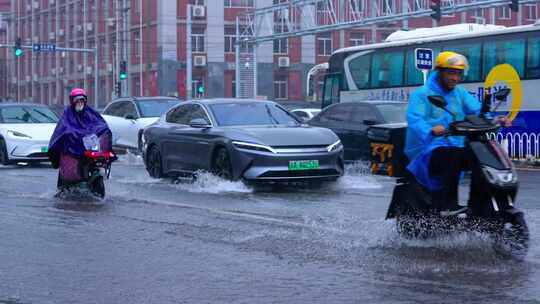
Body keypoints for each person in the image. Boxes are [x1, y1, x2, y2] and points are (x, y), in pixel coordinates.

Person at [404, 51, 509, 216]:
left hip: (456, 146)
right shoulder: (422, 94)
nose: (455, 78)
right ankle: (447, 204)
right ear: (439, 71)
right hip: (428, 148)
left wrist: (495, 120)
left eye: (459, 74)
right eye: (451, 73)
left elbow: (477, 111)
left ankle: (479, 205)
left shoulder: (459, 93)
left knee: (482, 158)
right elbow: (414, 119)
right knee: (452, 156)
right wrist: (430, 130)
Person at [48, 88, 112, 184]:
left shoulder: (90, 112)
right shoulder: (68, 113)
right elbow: (64, 127)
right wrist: (73, 133)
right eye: (77, 100)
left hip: (90, 146)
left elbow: (100, 124)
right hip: (73, 146)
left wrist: (101, 131)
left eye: (82, 100)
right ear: (72, 101)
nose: (80, 102)